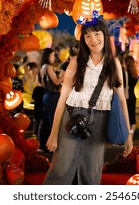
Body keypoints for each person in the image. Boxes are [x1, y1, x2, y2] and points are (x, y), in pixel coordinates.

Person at [43, 17, 133, 185]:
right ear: (83, 39)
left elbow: (121, 100)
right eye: (88, 36)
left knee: (91, 171)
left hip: (100, 120)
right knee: (62, 168)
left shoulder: (114, 64)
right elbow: (63, 98)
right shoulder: (76, 62)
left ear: (105, 35)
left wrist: (128, 136)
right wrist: (54, 133)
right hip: (72, 117)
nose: (94, 40)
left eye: (97, 34)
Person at [39, 48, 64, 152]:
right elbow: (56, 82)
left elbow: (43, 83)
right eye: (53, 55)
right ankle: (52, 146)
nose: (54, 57)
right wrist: (65, 75)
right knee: (53, 121)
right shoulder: (48, 67)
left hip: (46, 95)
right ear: (48, 56)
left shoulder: (42, 68)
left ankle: (43, 144)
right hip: (52, 96)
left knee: (45, 121)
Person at [124, 55, 139, 136]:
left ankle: (127, 137)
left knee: (126, 118)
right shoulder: (135, 73)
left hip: (126, 97)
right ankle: (131, 136)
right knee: (132, 119)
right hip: (133, 96)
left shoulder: (125, 73)